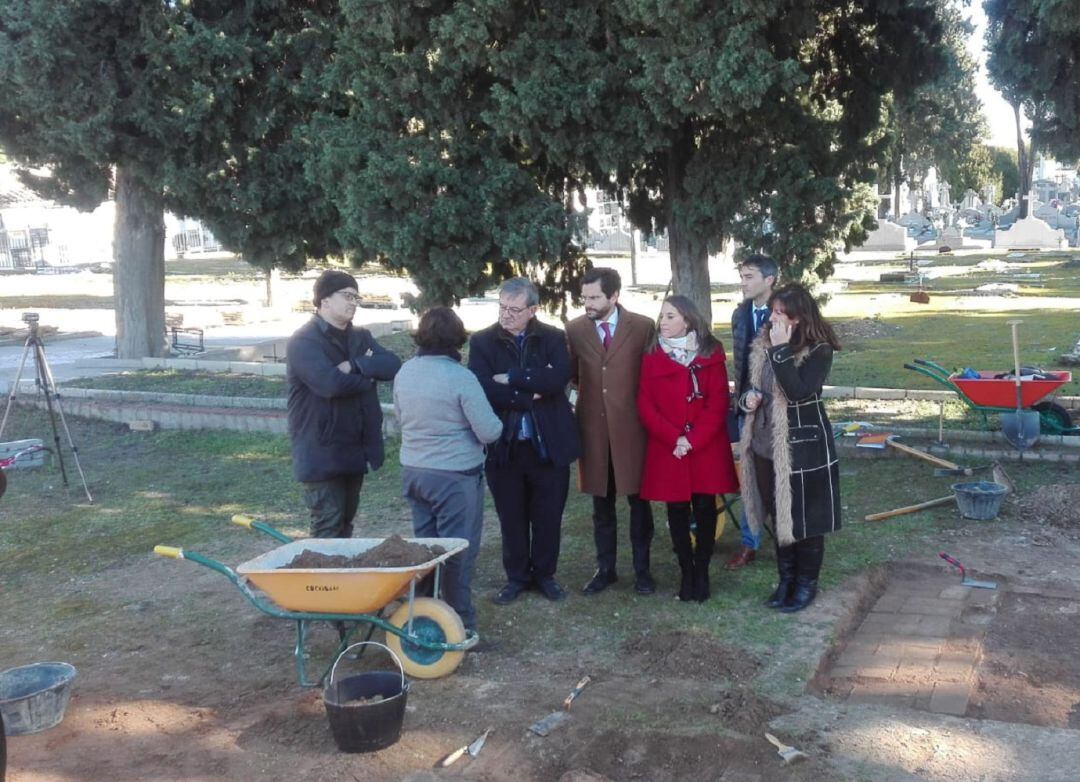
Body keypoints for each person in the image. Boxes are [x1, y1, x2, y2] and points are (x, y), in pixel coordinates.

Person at [468, 278, 581, 605]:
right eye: (502, 307)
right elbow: (483, 388)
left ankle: (545, 575)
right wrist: (532, 393)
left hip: (548, 445)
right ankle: (516, 577)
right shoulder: (482, 342)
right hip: (504, 446)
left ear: (532, 309)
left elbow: (558, 378)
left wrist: (514, 378)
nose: (506, 315)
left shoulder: (553, 338)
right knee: (512, 518)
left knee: (548, 517)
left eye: (514, 310)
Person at [393, 307, 502, 633]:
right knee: (457, 553)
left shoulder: (405, 372)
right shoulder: (460, 377)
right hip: (454, 478)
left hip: (414, 471)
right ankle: (460, 626)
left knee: (425, 552)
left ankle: (419, 620)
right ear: (457, 339)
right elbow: (489, 431)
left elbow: (400, 418)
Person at [737, 283, 842, 613]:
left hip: (802, 446)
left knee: (805, 519)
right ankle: (786, 580)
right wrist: (748, 399)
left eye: (781, 313)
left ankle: (806, 584)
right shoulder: (762, 342)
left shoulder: (818, 350)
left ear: (799, 318)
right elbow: (752, 388)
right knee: (778, 513)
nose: (773, 318)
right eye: (773, 311)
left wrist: (781, 350)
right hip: (765, 444)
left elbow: (798, 392)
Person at [637, 295, 739, 602]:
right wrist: (674, 438)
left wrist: (692, 439)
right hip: (669, 448)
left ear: (688, 320)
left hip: (703, 446)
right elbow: (645, 404)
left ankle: (702, 570)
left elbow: (718, 400)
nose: (662, 322)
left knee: (705, 508)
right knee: (677, 509)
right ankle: (686, 571)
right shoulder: (652, 354)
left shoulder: (711, 352)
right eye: (662, 316)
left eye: (670, 316)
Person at [286, 269, 401, 538]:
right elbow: (330, 384)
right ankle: (323, 582)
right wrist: (369, 379)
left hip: (354, 449)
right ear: (324, 300)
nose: (353, 302)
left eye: (356, 297)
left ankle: (339, 580)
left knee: (345, 527)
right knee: (327, 529)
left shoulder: (360, 337)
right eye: (347, 296)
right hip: (321, 451)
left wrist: (355, 364)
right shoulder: (304, 341)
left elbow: (393, 365)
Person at [567, 267, 656, 596]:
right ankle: (605, 569)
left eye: (594, 297)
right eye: (584, 297)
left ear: (614, 296)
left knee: (639, 505)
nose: (587, 303)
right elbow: (575, 375)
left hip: (633, 433)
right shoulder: (575, 330)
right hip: (594, 433)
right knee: (601, 507)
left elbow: (652, 375)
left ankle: (642, 571)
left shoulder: (643, 327)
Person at [725, 254, 779, 570]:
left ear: (769, 279)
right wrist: (741, 398)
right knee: (749, 474)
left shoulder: (786, 312)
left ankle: (789, 534)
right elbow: (741, 365)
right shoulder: (741, 314)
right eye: (742, 276)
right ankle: (750, 542)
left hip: (781, 407)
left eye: (749, 276)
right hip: (748, 409)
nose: (743, 282)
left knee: (780, 474)